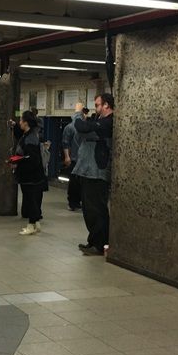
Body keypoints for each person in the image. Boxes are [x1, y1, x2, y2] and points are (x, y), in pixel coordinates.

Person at [73, 93, 114, 256]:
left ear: (106, 105)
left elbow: (81, 128)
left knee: (96, 210)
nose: (96, 108)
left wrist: (77, 113)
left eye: (98, 105)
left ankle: (99, 244)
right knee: (90, 210)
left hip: (97, 172)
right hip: (89, 171)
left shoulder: (108, 123)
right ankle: (95, 241)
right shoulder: (99, 121)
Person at [12, 110, 46, 235]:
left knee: (31, 200)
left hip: (30, 176)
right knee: (32, 200)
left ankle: (31, 225)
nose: (19, 122)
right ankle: (36, 223)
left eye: (21, 120)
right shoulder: (28, 134)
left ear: (26, 123)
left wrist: (19, 162)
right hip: (30, 175)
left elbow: (32, 158)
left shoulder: (30, 138)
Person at [61, 106, 88, 210]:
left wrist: (67, 157)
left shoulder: (70, 127)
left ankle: (74, 202)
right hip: (78, 159)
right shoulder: (77, 127)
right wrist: (67, 157)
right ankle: (75, 202)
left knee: (74, 182)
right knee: (77, 182)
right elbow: (66, 143)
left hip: (75, 158)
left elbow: (65, 143)